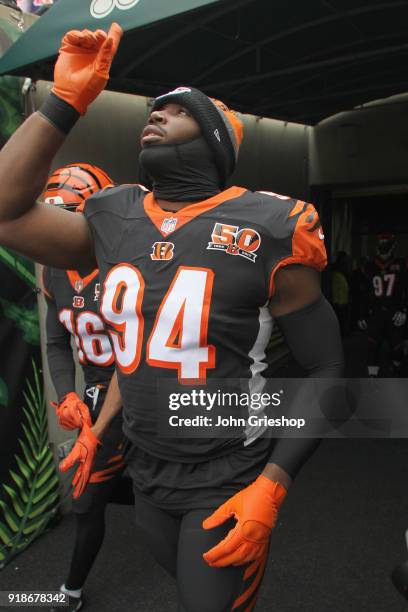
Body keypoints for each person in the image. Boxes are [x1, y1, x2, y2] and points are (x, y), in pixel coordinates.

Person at [0, 24, 344, 611]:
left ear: (213, 139)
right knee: (184, 582)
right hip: (147, 465)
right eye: (152, 110)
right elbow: (7, 212)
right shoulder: (113, 216)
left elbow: (327, 368)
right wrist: (64, 103)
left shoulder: (269, 225)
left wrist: (273, 484)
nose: (155, 115)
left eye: (176, 111)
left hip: (227, 468)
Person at [41, 162, 128, 612]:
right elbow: (57, 339)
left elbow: (141, 356)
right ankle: (72, 590)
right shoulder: (53, 270)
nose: (57, 233)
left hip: (148, 389)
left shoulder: (127, 264)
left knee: (168, 497)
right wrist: (67, 392)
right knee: (86, 498)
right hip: (97, 394)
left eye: (69, 220)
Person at [357, 234, 408, 376]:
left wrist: (404, 310)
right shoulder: (369, 266)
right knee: (372, 349)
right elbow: (364, 294)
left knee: (397, 350)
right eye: (382, 243)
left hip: (394, 313)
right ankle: (374, 383)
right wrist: (362, 314)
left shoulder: (402, 264)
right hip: (376, 314)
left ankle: (396, 374)